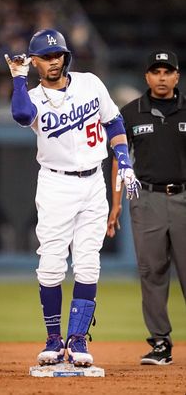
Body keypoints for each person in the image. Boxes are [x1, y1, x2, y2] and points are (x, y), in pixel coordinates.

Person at [4, 28, 140, 367]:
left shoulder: (90, 83)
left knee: (88, 262)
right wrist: (19, 80)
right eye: (46, 57)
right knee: (50, 265)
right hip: (56, 184)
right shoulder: (32, 97)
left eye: (58, 55)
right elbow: (21, 116)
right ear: (34, 62)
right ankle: (53, 339)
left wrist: (123, 159)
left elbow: (114, 121)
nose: (54, 61)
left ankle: (77, 339)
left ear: (66, 56)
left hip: (94, 183)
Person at [107, 50, 186, 365]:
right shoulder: (131, 113)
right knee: (152, 272)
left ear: (177, 76)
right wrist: (116, 203)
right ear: (147, 77)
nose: (162, 78)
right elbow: (118, 160)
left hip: (184, 197)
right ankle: (161, 343)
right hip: (146, 199)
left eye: (168, 72)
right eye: (156, 72)